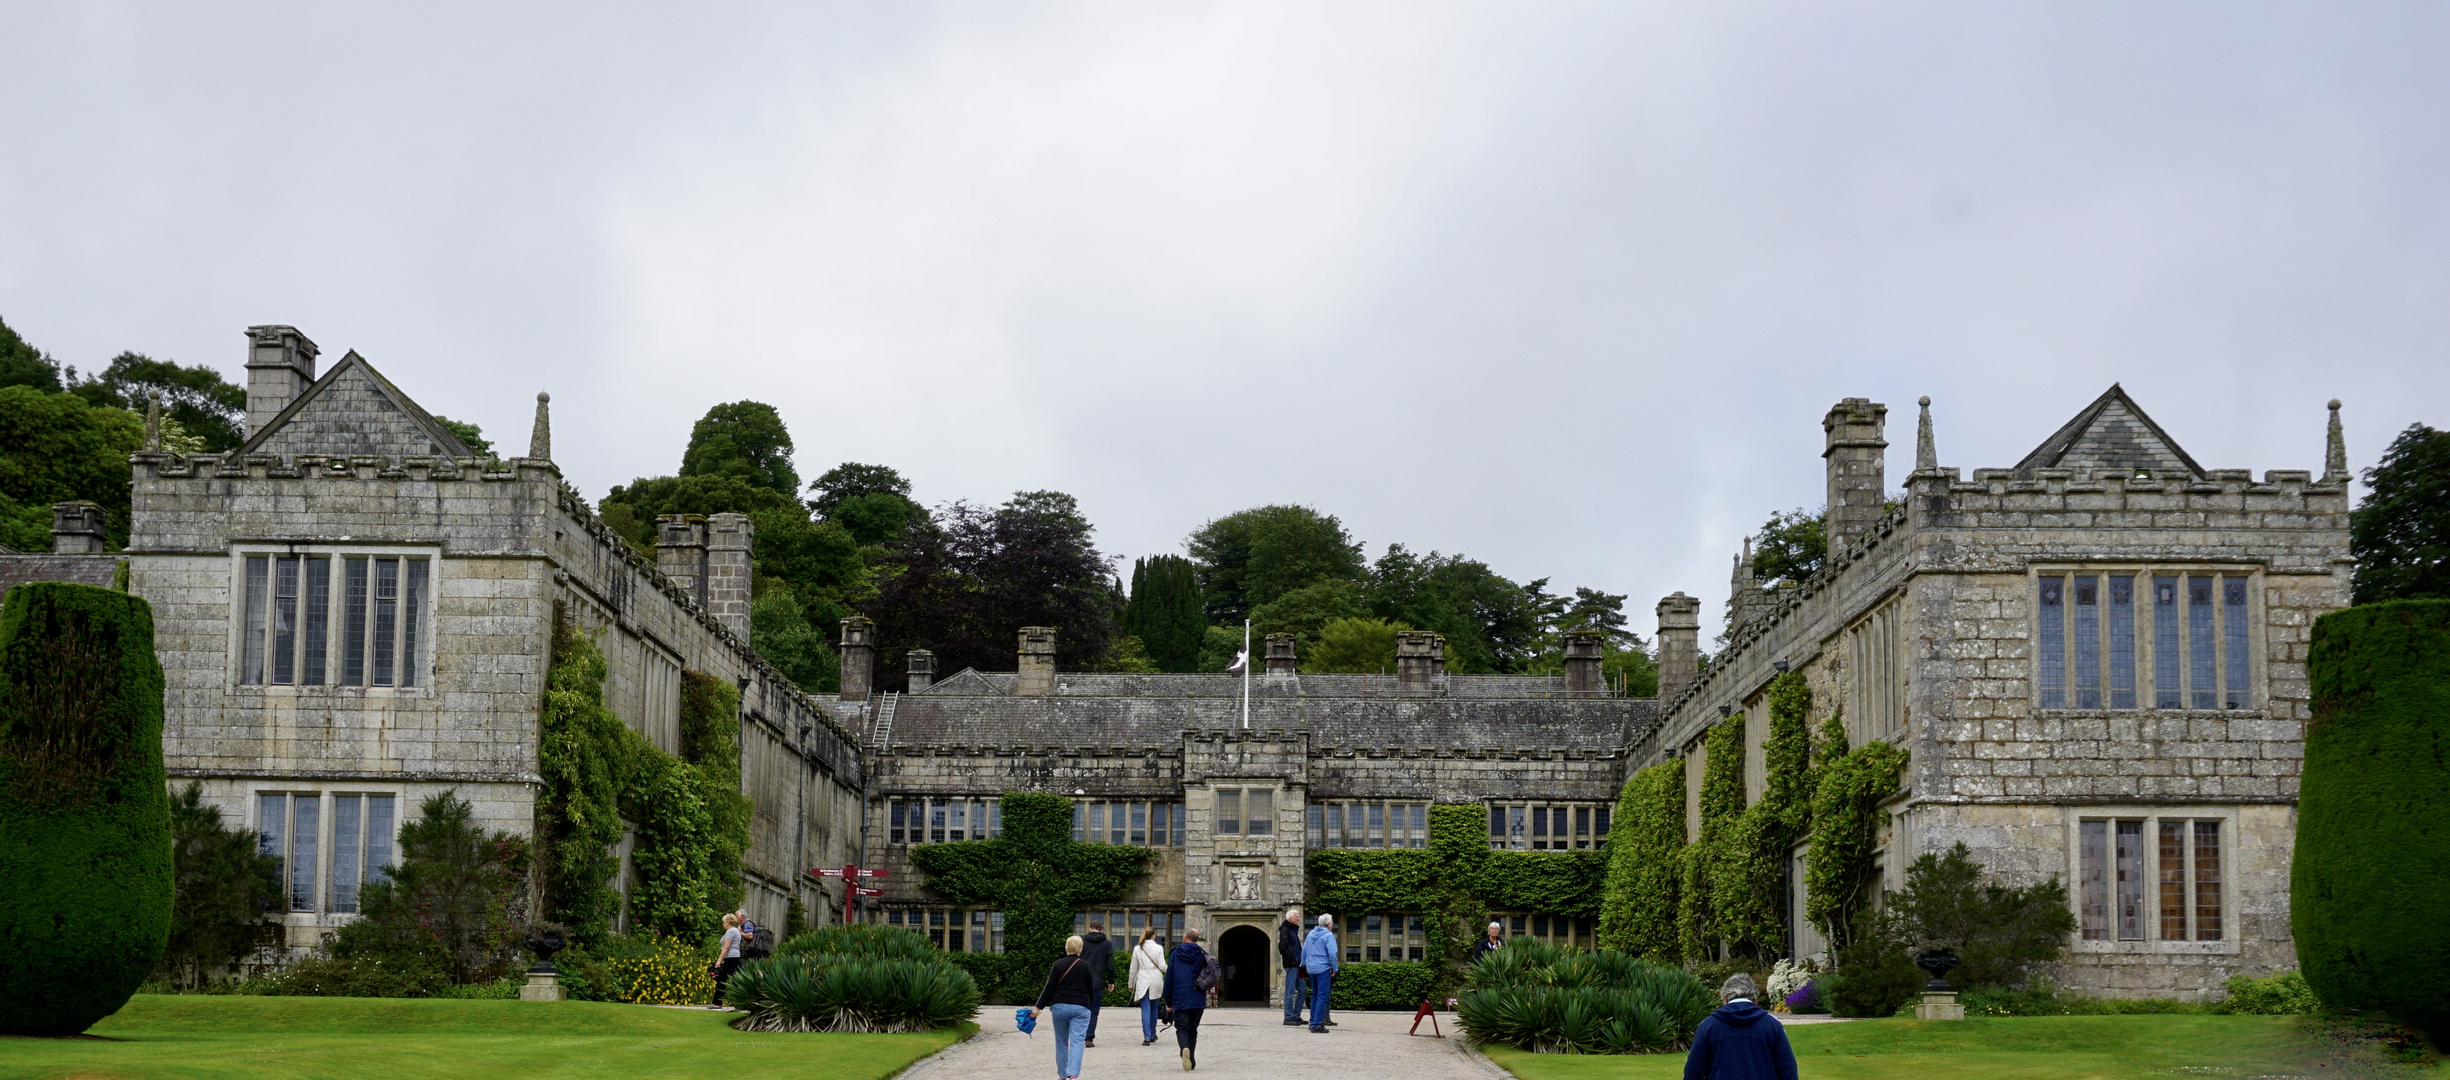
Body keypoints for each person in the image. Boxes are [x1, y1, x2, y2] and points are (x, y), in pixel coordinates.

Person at [1682, 973, 1798, 1080]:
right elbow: (1788, 1070)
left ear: (1726, 999)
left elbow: (1692, 1072)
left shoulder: (1708, 1026)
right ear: (1755, 1000)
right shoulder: (1772, 1025)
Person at [1031, 934, 1100, 1080]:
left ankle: (1062, 1075)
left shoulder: (1058, 965)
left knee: (1061, 1042)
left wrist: (1038, 1007)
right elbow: (1090, 989)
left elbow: (1049, 987)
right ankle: (1073, 1074)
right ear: (1080, 949)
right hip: (1081, 1006)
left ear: (1066, 948)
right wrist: (1089, 1006)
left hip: (1060, 1006)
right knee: (1077, 1042)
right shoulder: (1086, 966)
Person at [1161, 928, 1209, 1071]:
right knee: (1192, 1030)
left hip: (1180, 996)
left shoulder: (1176, 953)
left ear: (1186, 936)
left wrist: (1168, 1001)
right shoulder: (1202, 954)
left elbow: (1169, 978)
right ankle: (1191, 1060)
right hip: (1198, 997)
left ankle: (1184, 1049)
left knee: (1181, 1028)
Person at [1129, 927, 1168, 1046]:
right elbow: (1162, 966)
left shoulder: (1137, 948)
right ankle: (1152, 1034)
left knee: (1145, 1008)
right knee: (1154, 1008)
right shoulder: (1158, 947)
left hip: (1143, 979)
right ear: (1153, 936)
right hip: (1156, 978)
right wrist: (1173, 973)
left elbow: (1133, 968)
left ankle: (1146, 1036)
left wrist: (1131, 984)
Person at [1301, 913, 1340, 1033]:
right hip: (1323, 968)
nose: (1332, 924)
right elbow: (1332, 954)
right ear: (1328, 924)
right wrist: (1335, 968)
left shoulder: (1311, 934)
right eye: (1332, 922)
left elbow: (1304, 951)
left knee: (1315, 995)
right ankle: (1316, 1024)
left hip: (1311, 968)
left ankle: (1313, 1020)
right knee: (1323, 996)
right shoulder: (1328, 935)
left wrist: (1304, 966)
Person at [1080, 920, 1115, 1048]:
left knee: (1080, 1009)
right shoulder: (1106, 944)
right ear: (1102, 930)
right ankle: (1089, 1037)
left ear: (1089, 929)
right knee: (1093, 1011)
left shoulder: (1081, 941)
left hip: (1082, 980)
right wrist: (1111, 981)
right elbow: (1110, 964)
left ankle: (1079, 1035)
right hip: (1097, 981)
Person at [1277, 907, 1308, 1026]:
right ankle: (1288, 1017)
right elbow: (1283, 948)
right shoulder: (1285, 930)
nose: (1299, 918)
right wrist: (1294, 958)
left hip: (1297, 965)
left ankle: (1296, 1015)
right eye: (1297, 917)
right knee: (1290, 991)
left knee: (1302, 990)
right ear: (1290, 918)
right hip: (1292, 965)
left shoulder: (1293, 930)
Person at [710, 913, 745, 1006]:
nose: (723, 924)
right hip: (733, 957)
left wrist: (719, 961)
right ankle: (737, 1001)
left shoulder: (730, 931)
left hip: (730, 957)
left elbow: (726, 947)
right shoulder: (735, 930)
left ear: (728, 922)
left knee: (723, 979)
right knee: (730, 979)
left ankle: (717, 1003)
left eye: (724, 922)